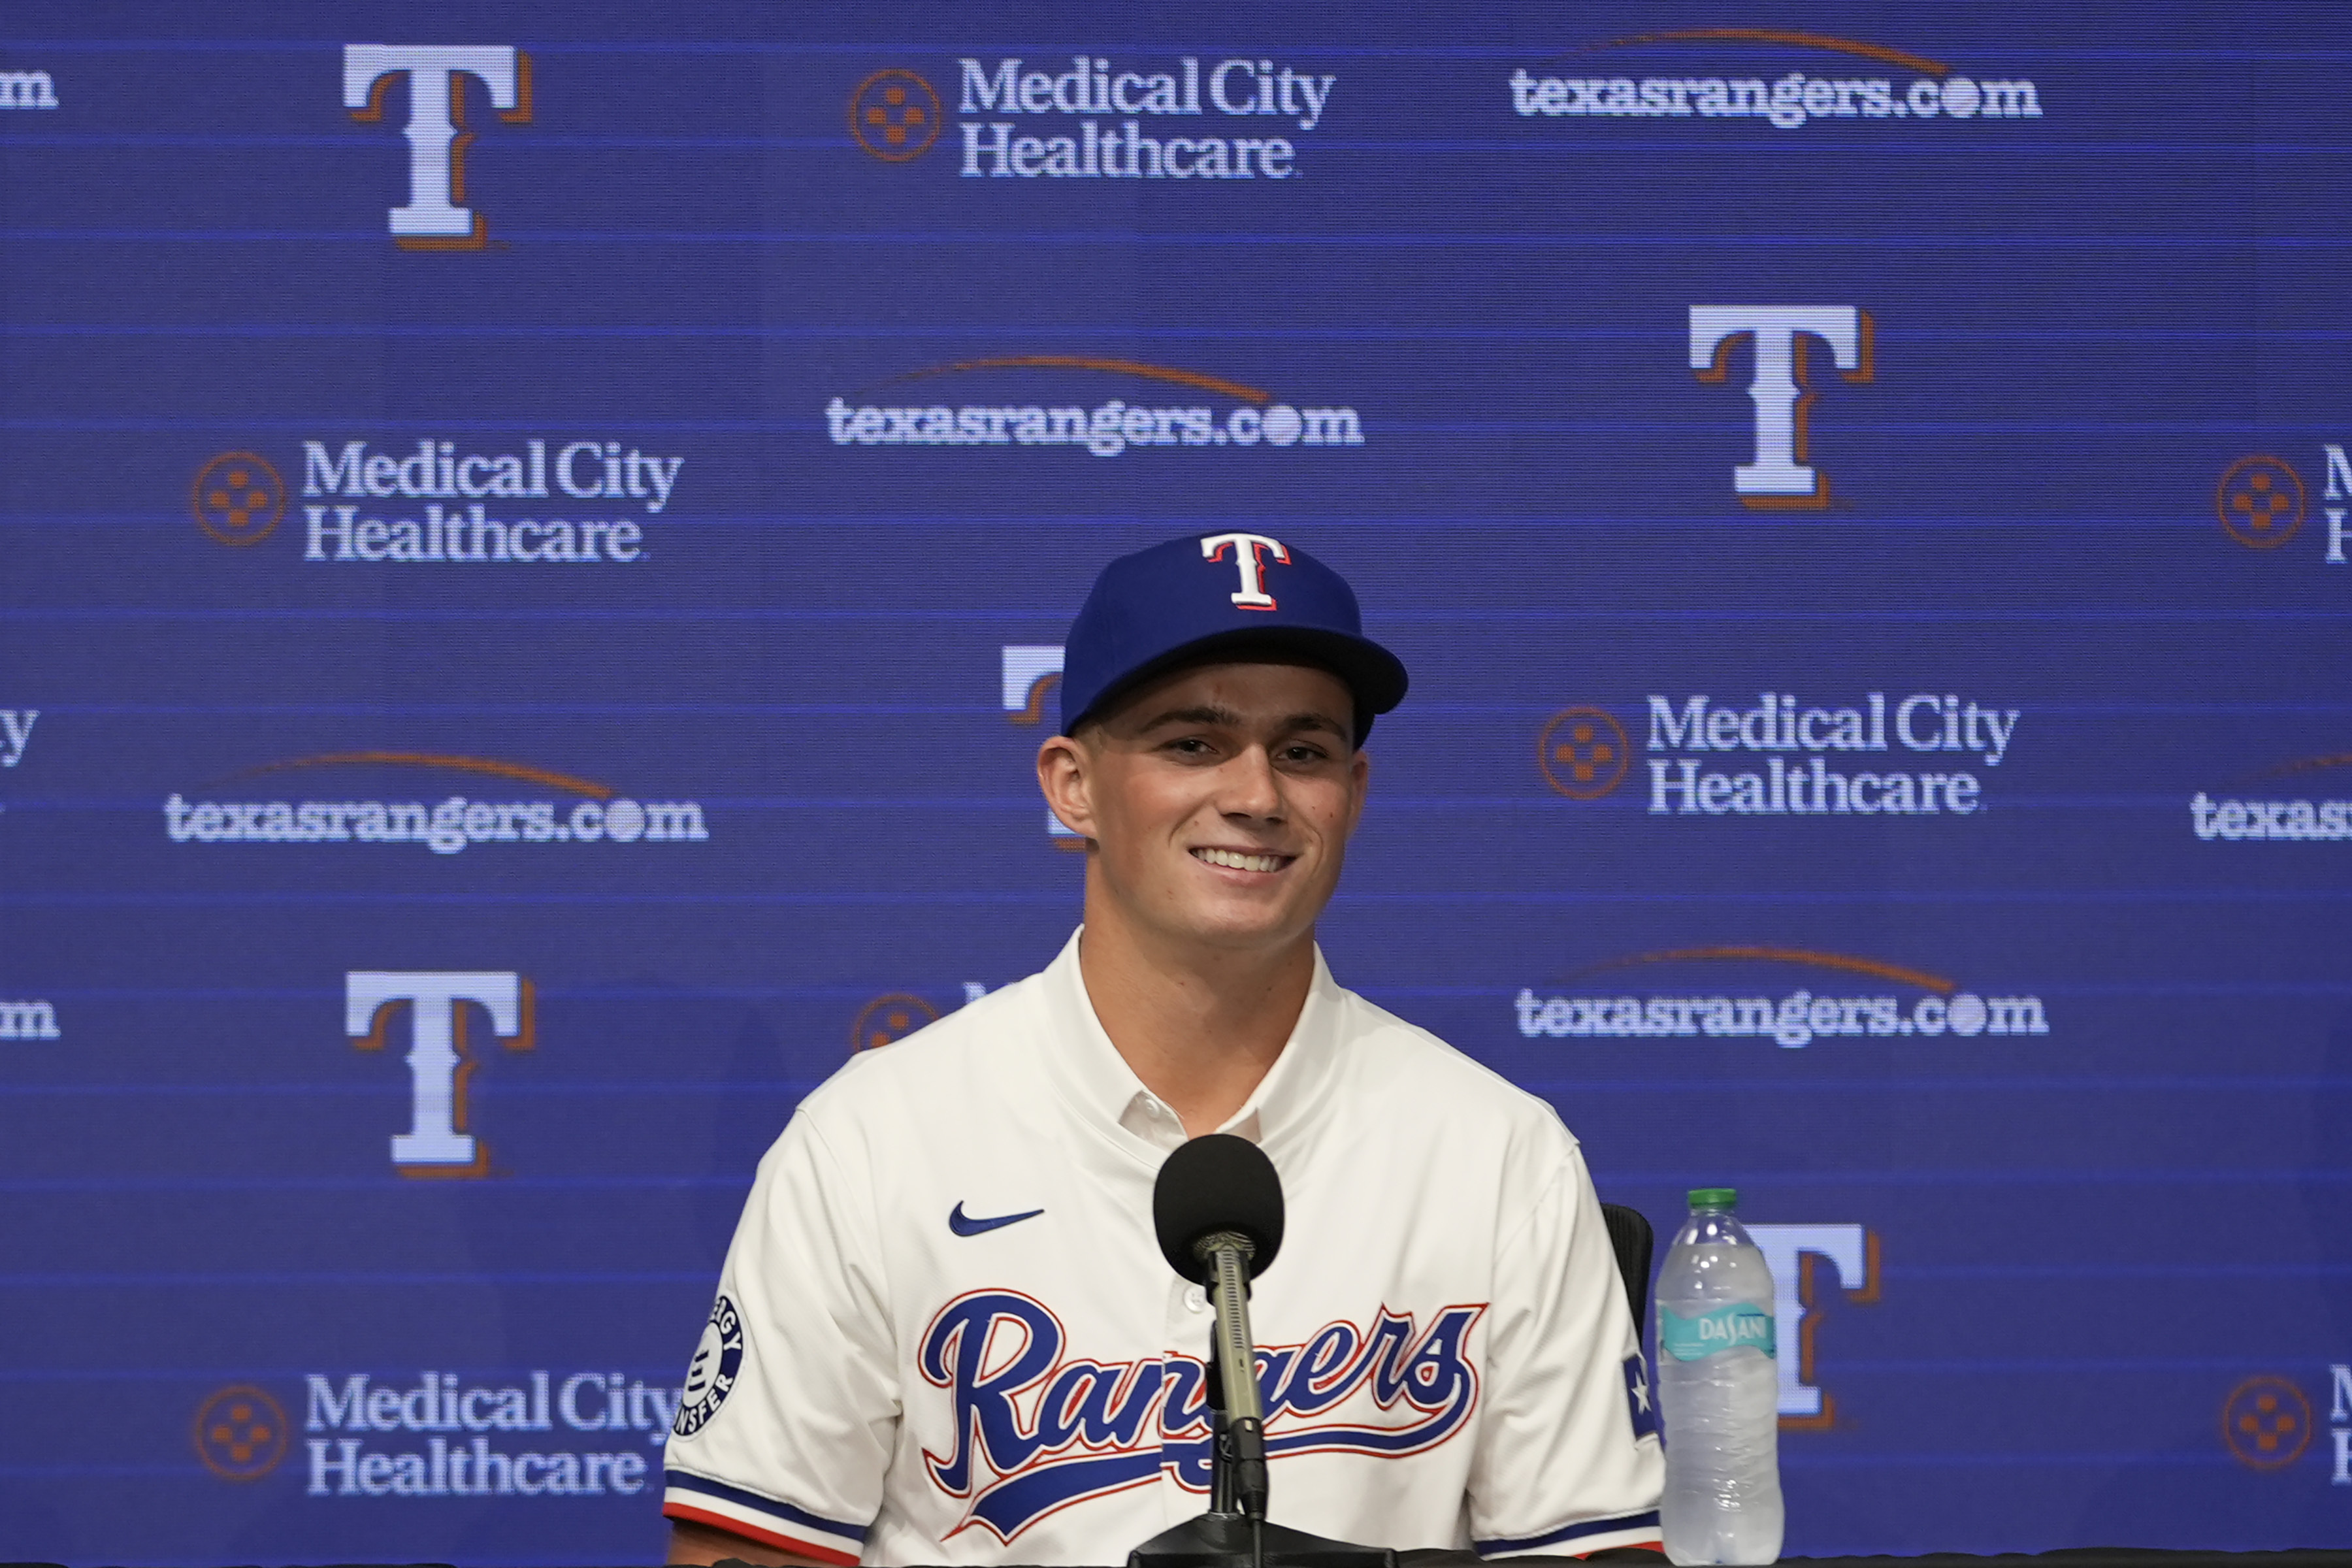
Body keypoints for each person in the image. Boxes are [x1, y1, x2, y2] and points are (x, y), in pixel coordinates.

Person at [663, 532, 1663, 1565]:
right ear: (1072, 786)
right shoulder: (873, 1141)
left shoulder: (1498, 1154)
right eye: (1193, 744)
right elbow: (742, 1553)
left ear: (1353, 795)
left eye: (1304, 752)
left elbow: (1598, 1552)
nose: (1257, 796)